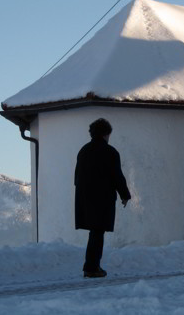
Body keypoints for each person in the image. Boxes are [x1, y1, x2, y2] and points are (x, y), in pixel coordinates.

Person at [74, 118, 131, 278]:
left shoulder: (83, 151)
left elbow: (76, 177)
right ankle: (92, 267)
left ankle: (91, 265)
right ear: (106, 134)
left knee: (95, 232)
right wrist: (125, 195)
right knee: (98, 232)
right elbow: (117, 176)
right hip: (102, 198)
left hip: (85, 198)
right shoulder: (110, 152)